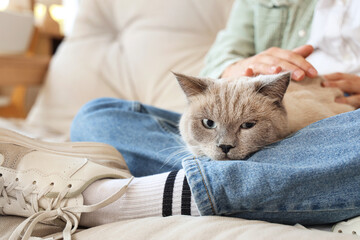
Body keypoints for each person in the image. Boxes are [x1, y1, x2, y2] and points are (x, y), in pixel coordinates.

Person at [2, 0, 360, 239]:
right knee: (99, 117)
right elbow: (222, 56)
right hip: (249, 106)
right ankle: (283, 187)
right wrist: (238, 71)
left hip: (332, 129)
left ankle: (114, 200)